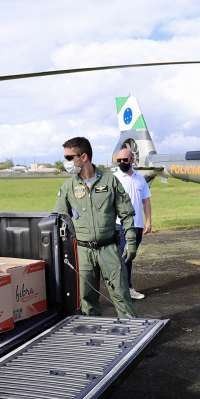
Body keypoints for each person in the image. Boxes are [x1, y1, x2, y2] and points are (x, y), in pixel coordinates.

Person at [53, 136, 138, 317]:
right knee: (87, 300)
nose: (66, 162)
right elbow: (58, 221)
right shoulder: (68, 188)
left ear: (83, 157)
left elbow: (126, 214)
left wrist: (131, 241)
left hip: (109, 249)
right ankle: (93, 340)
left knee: (121, 296)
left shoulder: (110, 181)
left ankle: (134, 336)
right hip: (83, 253)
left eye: (69, 157)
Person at [113, 148, 152, 300]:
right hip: (120, 226)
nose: (122, 163)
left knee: (130, 257)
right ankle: (124, 289)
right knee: (124, 256)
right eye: (119, 160)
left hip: (137, 225)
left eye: (124, 160)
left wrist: (148, 221)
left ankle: (124, 287)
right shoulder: (114, 178)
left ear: (132, 160)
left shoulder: (140, 179)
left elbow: (146, 200)